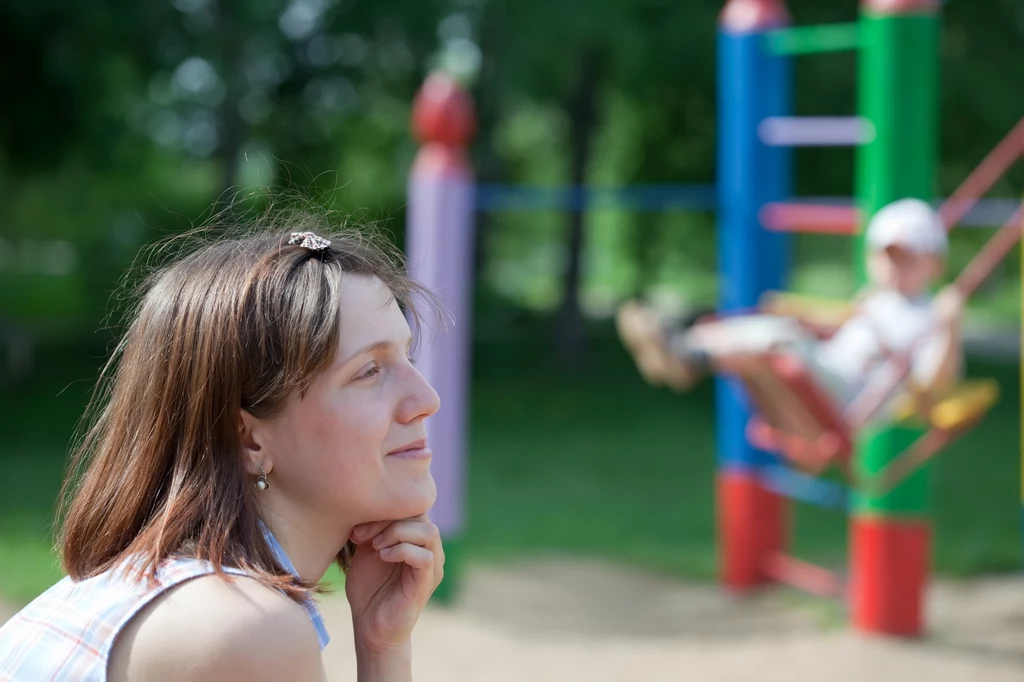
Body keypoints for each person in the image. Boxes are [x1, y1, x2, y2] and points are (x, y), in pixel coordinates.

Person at [0, 217, 446, 681]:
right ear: (250, 438)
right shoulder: (240, 631)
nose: (426, 401)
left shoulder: (139, 592)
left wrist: (382, 647)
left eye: (407, 357)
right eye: (369, 371)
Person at [618, 197, 966, 422]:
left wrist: (950, 328)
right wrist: (800, 314)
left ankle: (685, 354)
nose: (895, 268)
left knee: (779, 341)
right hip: (825, 372)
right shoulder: (876, 300)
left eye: (907, 258)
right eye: (886, 257)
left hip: (845, 400)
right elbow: (837, 326)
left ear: (934, 264)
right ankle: (682, 346)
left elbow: (936, 384)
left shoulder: (929, 317)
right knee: (776, 326)